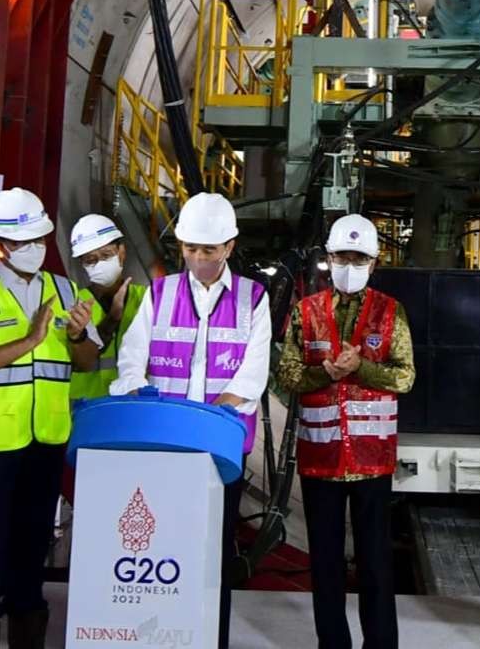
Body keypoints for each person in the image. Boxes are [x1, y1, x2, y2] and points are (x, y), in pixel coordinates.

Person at [110, 193, 271, 649]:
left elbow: (251, 377)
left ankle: (209, 639)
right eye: (190, 249)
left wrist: (202, 423)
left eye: (208, 250)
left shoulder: (252, 299)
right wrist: (137, 390)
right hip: (164, 448)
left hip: (220, 451)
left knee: (213, 553)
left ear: (229, 247)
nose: (198, 259)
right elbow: (131, 361)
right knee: (162, 551)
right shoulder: (159, 294)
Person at [0, 187, 99, 649]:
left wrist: (76, 337)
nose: (35, 249)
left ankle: (28, 634)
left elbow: (88, 362)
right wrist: (28, 340)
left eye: (40, 239)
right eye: (23, 241)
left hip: (46, 440)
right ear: (0, 243)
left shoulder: (66, 289)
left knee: (32, 548)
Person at [277, 214, 414, 649]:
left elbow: (405, 376)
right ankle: (332, 642)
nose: (348, 265)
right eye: (341, 257)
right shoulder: (305, 312)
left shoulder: (391, 312)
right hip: (321, 460)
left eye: (358, 258)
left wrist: (362, 368)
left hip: (372, 461)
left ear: (373, 263)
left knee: (376, 563)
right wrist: (325, 373)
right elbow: (288, 373)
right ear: (328, 259)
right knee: (326, 563)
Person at [68, 214, 147, 401]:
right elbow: (78, 363)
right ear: (82, 264)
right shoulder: (73, 303)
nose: (99, 264)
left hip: (134, 407)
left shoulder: (147, 299)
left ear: (122, 252)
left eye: (106, 255)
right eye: (90, 259)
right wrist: (112, 318)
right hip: (88, 409)